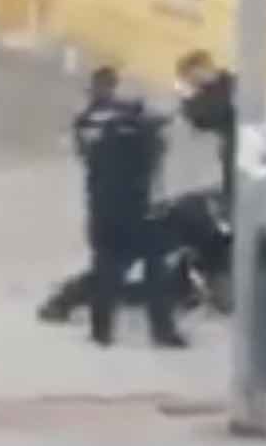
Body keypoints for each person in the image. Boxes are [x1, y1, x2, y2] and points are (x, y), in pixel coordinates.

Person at [63, 68, 186, 348]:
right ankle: (162, 330)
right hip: (138, 211)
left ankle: (101, 330)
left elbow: (87, 158)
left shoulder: (92, 129)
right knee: (155, 267)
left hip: (103, 209)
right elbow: (157, 159)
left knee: (106, 267)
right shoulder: (145, 135)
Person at [176, 50, 237, 205]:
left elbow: (206, 118)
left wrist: (186, 97)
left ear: (201, 69)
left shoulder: (227, 86)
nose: (192, 81)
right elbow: (201, 122)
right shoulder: (221, 86)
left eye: (191, 76)